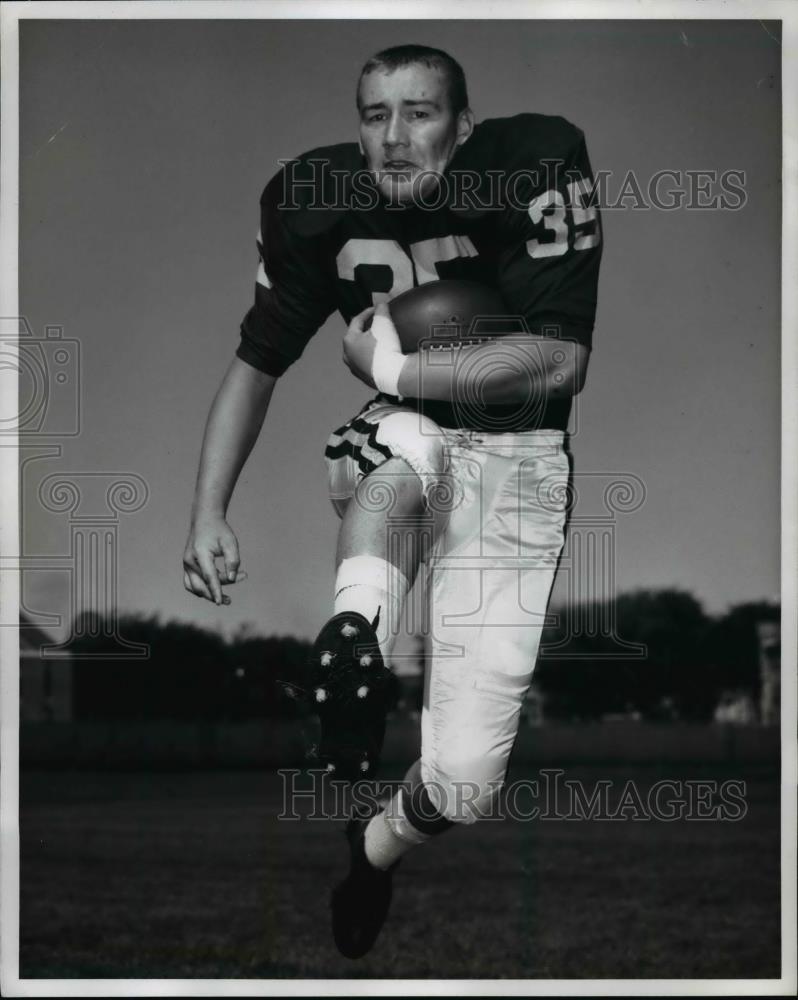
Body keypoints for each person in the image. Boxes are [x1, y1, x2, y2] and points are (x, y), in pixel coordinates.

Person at [183, 44, 602, 959]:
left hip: (521, 460)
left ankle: (371, 849)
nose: (395, 137)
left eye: (419, 113)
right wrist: (208, 510)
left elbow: (559, 360)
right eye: (375, 115)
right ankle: (353, 643)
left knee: (464, 783)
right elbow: (257, 363)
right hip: (408, 426)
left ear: (464, 124)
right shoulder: (311, 196)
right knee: (407, 450)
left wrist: (388, 361)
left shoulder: (533, 163)